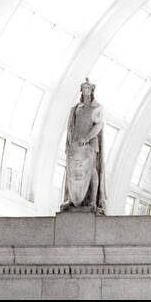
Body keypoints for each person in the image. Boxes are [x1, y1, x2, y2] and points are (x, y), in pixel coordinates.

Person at [60, 79, 105, 212]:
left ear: (92, 91)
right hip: (75, 145)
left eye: (88, 89)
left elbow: (98, 125)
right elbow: (70, 127)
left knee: (91, 170)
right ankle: (70, 198)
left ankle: (92, 200)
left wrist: (87, 137)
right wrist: (69, 142)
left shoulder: (97, 107)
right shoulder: (75, 109)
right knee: (71, 171)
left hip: (90, 144)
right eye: (84, 89)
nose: (86, 91)